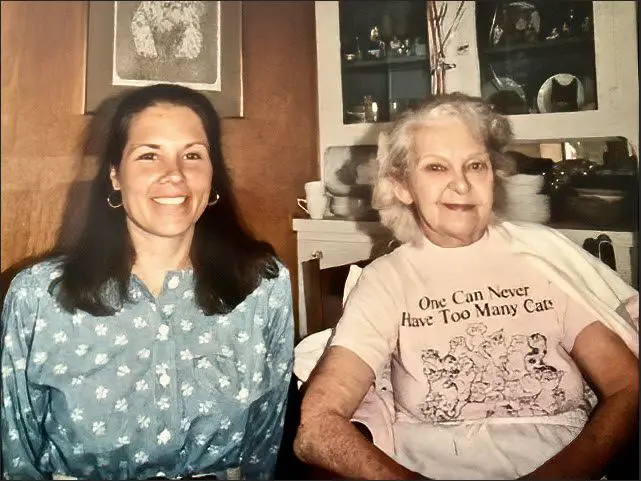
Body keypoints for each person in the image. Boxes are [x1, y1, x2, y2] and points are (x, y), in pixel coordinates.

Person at [294, 92, 639, 479]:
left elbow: (627, 387)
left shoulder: (543, 258)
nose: (461, 185)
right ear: (403, 186)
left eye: (475, 165)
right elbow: (317, 425)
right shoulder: (387, 281)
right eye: (436, 168)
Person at [1, 83, 294, 480]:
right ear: (114, 175)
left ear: (214, 176)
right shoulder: (38, 297)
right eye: (148, 155)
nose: (173, 174)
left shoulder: (264, 287)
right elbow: (16, 454)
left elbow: (266, 443)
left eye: (192, 155)